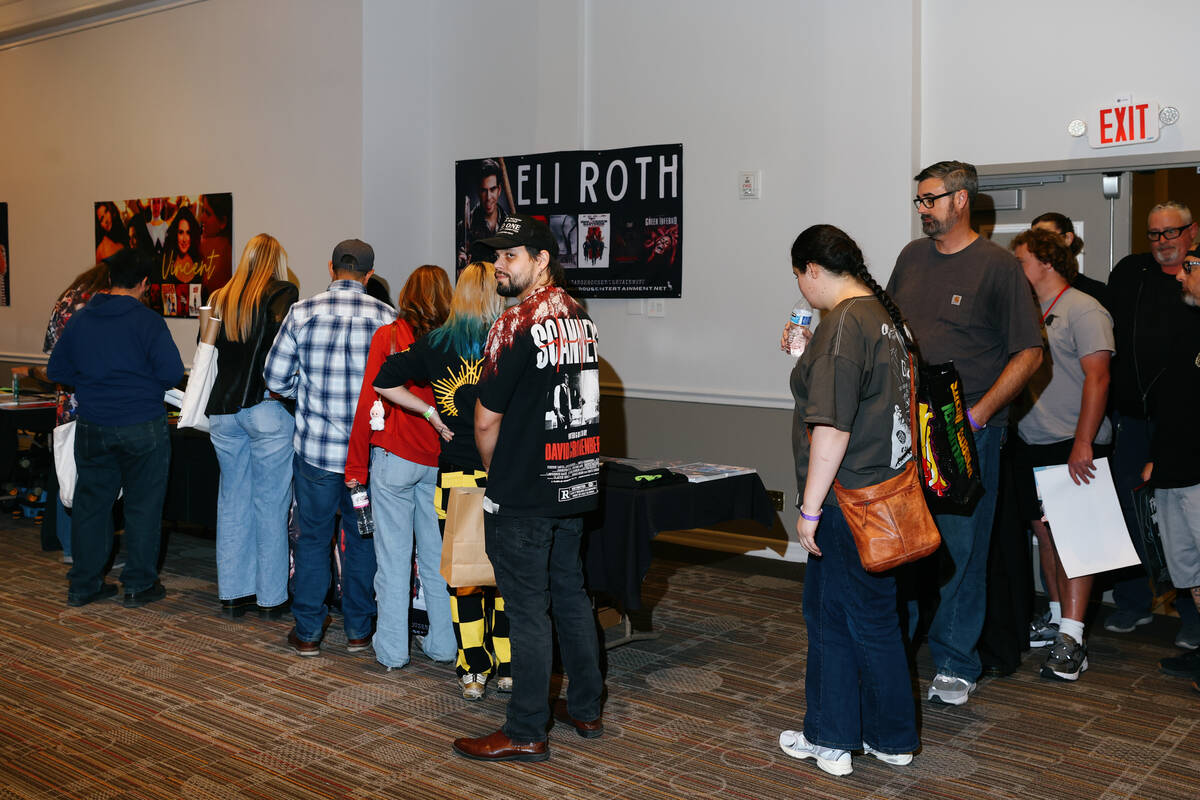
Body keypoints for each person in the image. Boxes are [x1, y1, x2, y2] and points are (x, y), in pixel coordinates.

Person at [887, 160, 1043, 706]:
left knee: (962, 548)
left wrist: (977, 416)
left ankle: (956, 662)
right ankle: (894, 650)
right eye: (919, 200)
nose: (923, 209)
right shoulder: (911, 258)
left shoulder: (998, 267)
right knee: (905, 545)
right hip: (908, 428)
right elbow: (888, 333)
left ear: (961, 200)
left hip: (968, 432)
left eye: (930, 199)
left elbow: (1029, 353)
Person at [452, 215, 603, 763]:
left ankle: (525, 729)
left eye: (511, 256)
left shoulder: (513, 324)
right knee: (571, 596)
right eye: (497, 256)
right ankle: (585, 707)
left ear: (541, 261)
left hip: (525, 494)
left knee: (527, 610)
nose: (499, 265)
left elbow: (485, 420)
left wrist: (498, 475)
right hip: (573, 484)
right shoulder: (579, 317)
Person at [776, 224, 920, 777]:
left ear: (812, 270)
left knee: (829, 618)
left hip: (846, 499)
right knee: (877, 620)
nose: (800, 288)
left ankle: (830, 739)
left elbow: (832, 427)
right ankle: (892, 739)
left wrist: (810, 509)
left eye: (799, 276)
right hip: (887, 493)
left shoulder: (843, 324)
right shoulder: (886, 318)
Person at [372, 260, 509, 700]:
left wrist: (431, 412)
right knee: (506, 573)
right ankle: (507, 664)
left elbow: (383, 381)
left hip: (456, 475)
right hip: (505, 473)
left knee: (464, 575)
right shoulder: (507, 342)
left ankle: (472, 670)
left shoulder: (436, 343)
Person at [264, 239, 395, 657]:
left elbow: (275, 378)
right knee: (362, 540)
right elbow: (399, 388)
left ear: (331, 268)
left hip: (315, 456)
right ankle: (359, 630)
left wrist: (304, 395)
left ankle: (308, 632)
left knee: (312, 540)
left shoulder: (301, 313)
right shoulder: (388, 319)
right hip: (365, 460)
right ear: (369, 275)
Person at [46, 248, 184, 608]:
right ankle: (138, 585)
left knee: (91, 507)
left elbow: (56, 371)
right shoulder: (148, 322)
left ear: (108, 279)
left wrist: (92, 381)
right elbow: (171, 373)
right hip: (143, 425)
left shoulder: (81, 320)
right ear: (144, 283)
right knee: (143, 508)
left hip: (93, 424)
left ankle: (84, 585)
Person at [1010, 228, 1115, 681]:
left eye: (1021, 261)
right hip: (1030, 440)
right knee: (1047, 535)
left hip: (1074, 442)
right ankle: (1057, 618)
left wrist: (1083, 442)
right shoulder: (1028, 311)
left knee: (1075, 540)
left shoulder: (1084, 308)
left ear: (1047, 262)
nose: (1015, 270)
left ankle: (1073, 638)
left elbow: (1099, 378)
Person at [345, 265, 453, 670]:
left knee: (392, 560)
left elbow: (366, 403)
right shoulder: (452, 340)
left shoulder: (388, 336)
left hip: (394, 458)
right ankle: (444, 644)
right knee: (437, 559)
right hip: (438, 460)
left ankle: (393, 650)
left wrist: (355, 465)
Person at [1104, 201, 1200, 649]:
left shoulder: (1197, 281)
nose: (1163, 242)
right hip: (1131, 421)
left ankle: (1191, 619)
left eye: (1171, 232)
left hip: (1184, 429)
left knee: (1185, 526)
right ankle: (1133, 600)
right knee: (1131, 514)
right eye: (1154, 234)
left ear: (1192, 231)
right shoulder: (1131, 273)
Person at [205, 234, 299, 619]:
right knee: (270, 504)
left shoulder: (219, 298)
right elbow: (286, 351)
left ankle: (233, 594)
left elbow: (207, 349)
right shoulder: (282, 293)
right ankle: (271, 599)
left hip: (222, 411)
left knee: (232, 501)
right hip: (266, 408)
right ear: (277, 261)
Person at [39, 261, 114, 562]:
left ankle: (70, 547)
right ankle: (93, 549)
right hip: (99, 400)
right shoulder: (106, 301)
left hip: (67, 401)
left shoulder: (66, 299)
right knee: (98, 477)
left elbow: (51, 353)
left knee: (66, 474)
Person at [1151, 252, 1200, 691]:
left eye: (1190, 267)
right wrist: (1157, 456)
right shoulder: (1186, 324)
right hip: (1172, 466)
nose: (1180, 276)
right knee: (1188, 569)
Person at [1030, 212, 1110, 308]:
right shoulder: (1028, 291)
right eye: (1034, 240)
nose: (1038, 246)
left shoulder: (1096, 292)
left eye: (1047, 237)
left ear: (1068, 238)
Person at [458, 159, 508, 269]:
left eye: (492, 189)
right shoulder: (464, 228)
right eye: (484, 190)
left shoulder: (509, 225)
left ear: (499, 190)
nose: (488, 197)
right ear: (478, 191)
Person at [163, 206, 202, 285]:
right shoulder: (165, 262)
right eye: (181, 232)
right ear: (175, 234)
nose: (184, 239)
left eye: (188, 233)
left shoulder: (199, 263)